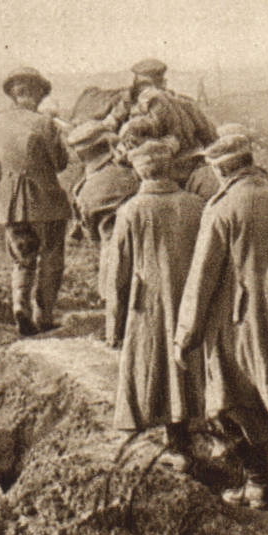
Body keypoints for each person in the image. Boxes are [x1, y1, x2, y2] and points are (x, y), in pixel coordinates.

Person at [174, 129, 268, 513]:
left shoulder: (222, 209)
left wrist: (186, 337)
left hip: (245, 324)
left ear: (221, 170)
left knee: (229, 401)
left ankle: (258, 484)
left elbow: (202, 279)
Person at [104, 139, 207, 470]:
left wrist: (114, 325)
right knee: (191, 362)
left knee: (155, 365)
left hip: (148, 303)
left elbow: (118, 272)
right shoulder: (196, 205)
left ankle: (173, 441)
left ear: (139, 171)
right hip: (193, 298)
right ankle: (195, 433)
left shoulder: (131, 211)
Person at [0, 66, 71, 336]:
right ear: (37, 92)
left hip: (10, 202)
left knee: (22, 259)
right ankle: (43, 315)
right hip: (44, 199)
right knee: (50, 258)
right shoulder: (44, 123)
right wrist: (57, 133)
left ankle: (19, 306)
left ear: (13, 93)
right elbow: (59, 163)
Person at [112, 58, 218, 157]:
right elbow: (112, 123)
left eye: (145, 84)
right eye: (141, 85)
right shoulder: (128, 100)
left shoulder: (180, 103)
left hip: (169, 156)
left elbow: (205, 136)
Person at [66, 119, 139, 244]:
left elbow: (92, 235)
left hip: (109, 248)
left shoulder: (85, 189)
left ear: (80, 155)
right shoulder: (131, 173)